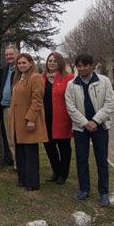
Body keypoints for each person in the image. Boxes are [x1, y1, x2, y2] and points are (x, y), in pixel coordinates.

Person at [65, 54, 114, 207]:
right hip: (81, 128)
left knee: (101, 160)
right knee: (81, 159)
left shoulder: (103, 81)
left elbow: (109, 104)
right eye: (79, 66)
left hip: (100, 126)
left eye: (85, 65)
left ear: (91, 66)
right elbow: (70, 107)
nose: (82, 69)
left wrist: (95, 121)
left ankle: (103, 192)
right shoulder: (72, 84)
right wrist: (86, 123)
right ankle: (84, 189)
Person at [9, 53, 48, 191]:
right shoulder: (19, 78)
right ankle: (23, 179)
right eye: (19, 63)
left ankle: (32, 182)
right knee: (20, 152)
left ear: (30, 63)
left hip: (28, 120)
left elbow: (37, 99)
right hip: (17, 121)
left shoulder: (35, 77)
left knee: (30, 152)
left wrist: (31, 119)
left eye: (24, 63)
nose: (21, 65)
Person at [42, 52, 74, 185]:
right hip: (45, 119)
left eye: (55, 61)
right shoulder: (41, 78)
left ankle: (63, 174)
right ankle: (56, 170)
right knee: (49, 146)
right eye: (50, 61)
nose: (52, 63)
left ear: (59, 62)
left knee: (64, 147)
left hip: (62, 119)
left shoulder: (68, 78)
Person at [0, 45, 19, 167]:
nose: (8, 57)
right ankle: (16, 162)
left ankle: (20, 162)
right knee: (10, 137)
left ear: (16, 54)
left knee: (18, 137)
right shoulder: (6, 69)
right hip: (6, 107)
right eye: (6, 55)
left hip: (17, 108)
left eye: (11, 54)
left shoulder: (20, 69)